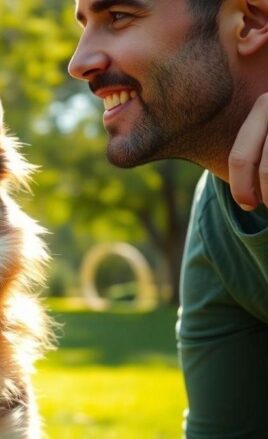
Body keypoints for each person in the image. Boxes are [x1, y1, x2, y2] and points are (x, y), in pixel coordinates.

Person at [68, 0, 268, 436]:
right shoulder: (217, 215)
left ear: (250, 21)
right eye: (84, 26)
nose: (78, 62)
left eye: (119, 16)